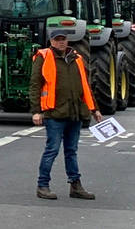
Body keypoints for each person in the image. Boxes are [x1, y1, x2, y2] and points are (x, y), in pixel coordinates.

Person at [30, 29, 102, 201]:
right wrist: (36, 111)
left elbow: (85, 86)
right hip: (54, 113)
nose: (61, 42)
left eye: (63, 39)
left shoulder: (76, 58)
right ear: (51, 42)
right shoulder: (44, 57)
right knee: (52, 150)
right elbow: (35, 85)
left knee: (71, 151)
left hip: (74, 113)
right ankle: (42, 185)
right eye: (57, 39)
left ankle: (75, 185)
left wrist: (94, 109)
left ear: (67, 41)